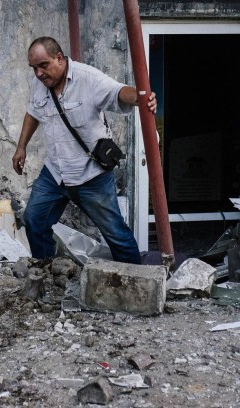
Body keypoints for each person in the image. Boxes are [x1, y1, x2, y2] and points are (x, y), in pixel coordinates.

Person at [13, 37, 156, 265]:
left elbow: (118, 92)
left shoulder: (88, 78)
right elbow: (33, 112)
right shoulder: (39, 82)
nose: (38, 73)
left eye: (43, 65)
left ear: (59, 58)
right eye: (34, 68)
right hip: (56, 173)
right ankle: (45, 272)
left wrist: (142, 98)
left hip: (91, 176)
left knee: (117, 236)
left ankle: (136, 281)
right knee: (34, 221)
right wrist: (21, 147)